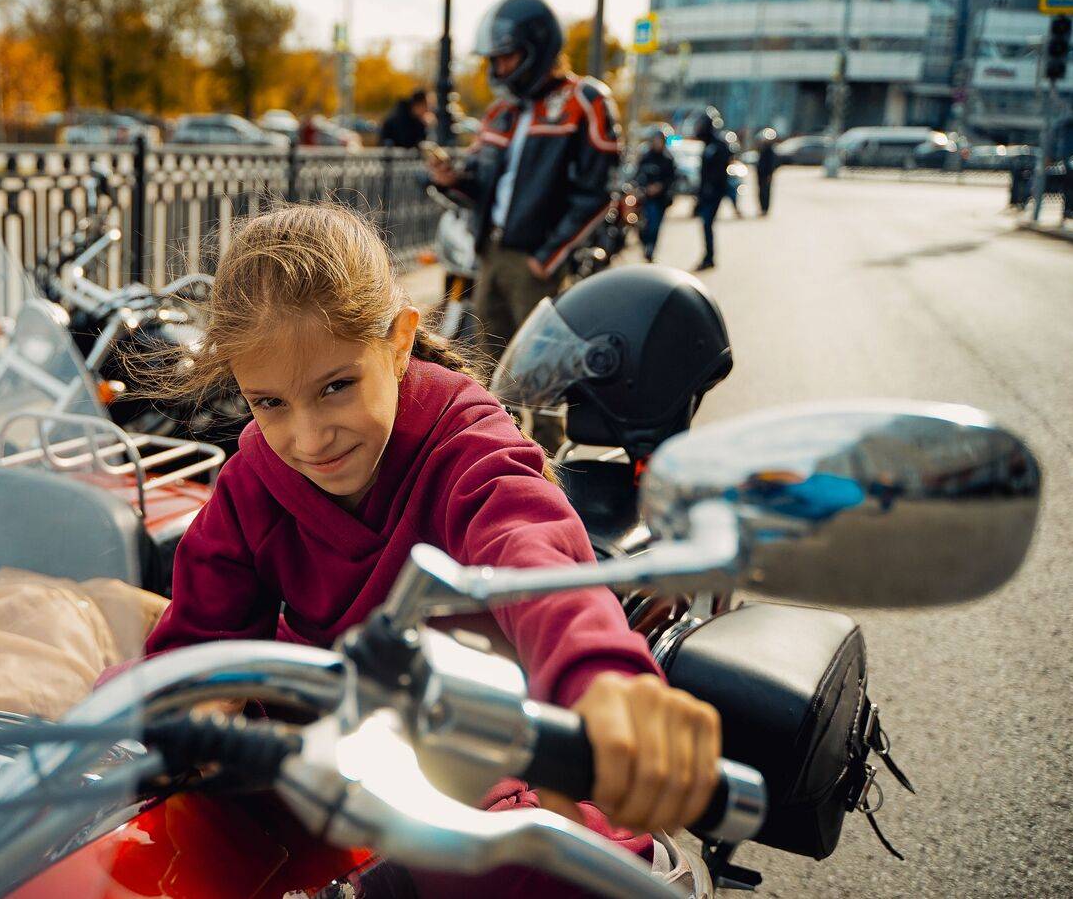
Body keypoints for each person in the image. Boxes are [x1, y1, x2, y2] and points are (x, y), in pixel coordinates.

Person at [105, 202, 722, 893]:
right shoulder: (252, 478)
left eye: (336, 387)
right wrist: (174, 711)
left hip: (483, 744)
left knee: (519, 861)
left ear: (399, 342)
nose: (308, 438)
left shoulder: (470, 444)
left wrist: (604, 680)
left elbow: (533, 558)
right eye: (269, 402)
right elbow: (197, 642)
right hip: (339, 743)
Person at [427, 0, 620, 399]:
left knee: (541, 374)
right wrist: (451, 179)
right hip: (490, 253)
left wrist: (547, 258)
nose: (497, 68)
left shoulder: (584, 101)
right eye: (493, 59)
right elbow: (479, 186)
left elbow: (598, 193)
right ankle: (499, 438)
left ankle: (546, 443)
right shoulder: (502, 111)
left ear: (537, 49)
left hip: (535, 262)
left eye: (506, 57)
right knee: (489, 368)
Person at [692, 109, 731, 271]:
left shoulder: (718, 145)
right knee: (705, 224)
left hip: (714, 194)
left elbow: (720, 172)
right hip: (706, 194)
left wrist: (711, 189)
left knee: (707, 223)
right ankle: (708, 256)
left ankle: (709, 257)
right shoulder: (708, 145)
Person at [634, 129, 676, 262]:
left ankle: (651, 249)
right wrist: (645, 188)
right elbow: (638, 176)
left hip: (661, 199)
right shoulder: (646, 157)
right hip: (645, 198)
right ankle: (646, 245)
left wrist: (660, 187)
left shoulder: (667, 159)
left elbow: (672, 179)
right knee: (643, 226)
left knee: (655, 225)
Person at [755, 128, 780, 216]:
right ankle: (762, 208)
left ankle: (765, 208)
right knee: (761, 191)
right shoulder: (763, 149)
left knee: (765, 192)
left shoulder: (770, 150)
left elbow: (771, 164)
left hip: (766, 175)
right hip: (761, 174)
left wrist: (770, 174)